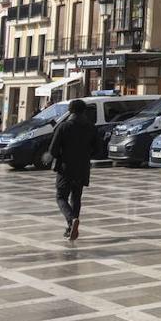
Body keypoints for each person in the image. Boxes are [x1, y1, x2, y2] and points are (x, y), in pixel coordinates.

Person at [48, 99, 99, 241]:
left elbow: (53, 150)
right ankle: (71, 227)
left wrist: (60, 156)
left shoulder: (64, 127)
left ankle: (71, 220)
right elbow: (98, 149)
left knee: (61, 197)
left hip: (66, 168)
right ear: (84, 111)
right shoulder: (91, 127)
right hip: (82, 168)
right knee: (76, 197)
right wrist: (86, 155)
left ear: (70, 111)